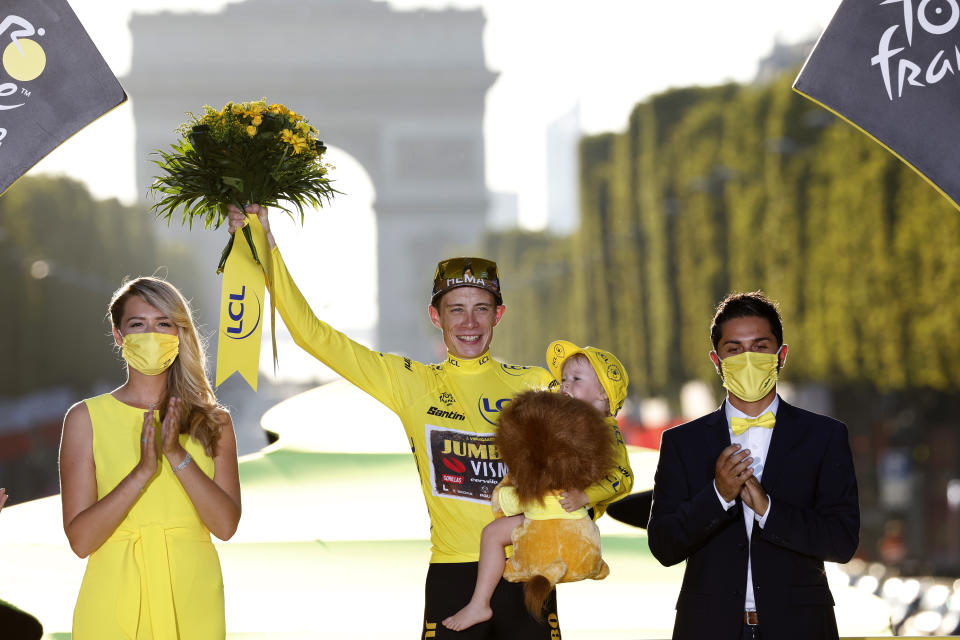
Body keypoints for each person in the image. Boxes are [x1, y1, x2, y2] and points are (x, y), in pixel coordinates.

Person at [227, 205, 624, 639]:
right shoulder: (410, 382)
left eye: (481, 309)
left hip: (529, 567)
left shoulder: (537, 383)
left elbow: (601, 438)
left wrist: (585, 503)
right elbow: (312, 334)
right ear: (436, 317)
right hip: (452, 575)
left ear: (499, 315)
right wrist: (265, 248)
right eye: (456, 310)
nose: (469, 323)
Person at [647, 291, 859, 640]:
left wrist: (768, 509)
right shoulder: (682, 443)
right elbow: (664, 546)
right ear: (717, 361)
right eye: (734, 349)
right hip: (707, 629)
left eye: (760, 346)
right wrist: (718, 495)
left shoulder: (825, 436)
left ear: (781, 355)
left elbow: (842, 542)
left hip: (801, 630)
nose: (748, 358)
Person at [60, 277, 241, 639]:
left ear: (180, 334)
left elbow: (225, 526)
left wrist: (175, 455)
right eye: (137, 324)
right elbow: (81, 541)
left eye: (163, 323)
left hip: (192, 599)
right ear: (118, 335)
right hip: (112, 601)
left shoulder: (214, 421)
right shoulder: (84, 419)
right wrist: (142, 473)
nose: (151, 334)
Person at [443, 341, 633, 631]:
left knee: (501, 535)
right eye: (563, 379)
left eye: (576, 379)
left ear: (603, 394)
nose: (565, 385)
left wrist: (585, 495)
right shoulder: (561, 421)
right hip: (543, 512)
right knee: (492, 534)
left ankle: (484, 601)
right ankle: (480, 603)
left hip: (571, 515)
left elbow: (623, 476)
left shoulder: (608, 429)